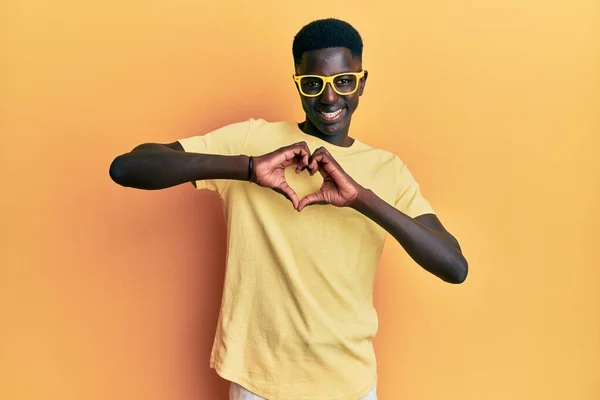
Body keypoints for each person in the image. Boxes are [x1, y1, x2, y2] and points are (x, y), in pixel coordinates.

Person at [109, 17, 467, 400]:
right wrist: (247, 167)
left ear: (361, 81)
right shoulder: (252, 139)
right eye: (313, 84)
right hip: (259, 383)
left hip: (350, 384)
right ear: (297, 81)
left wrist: (360, 197)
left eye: (343, 81)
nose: (329, 99)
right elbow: (128, 167)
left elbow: (453, 266)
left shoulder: (388, 170)